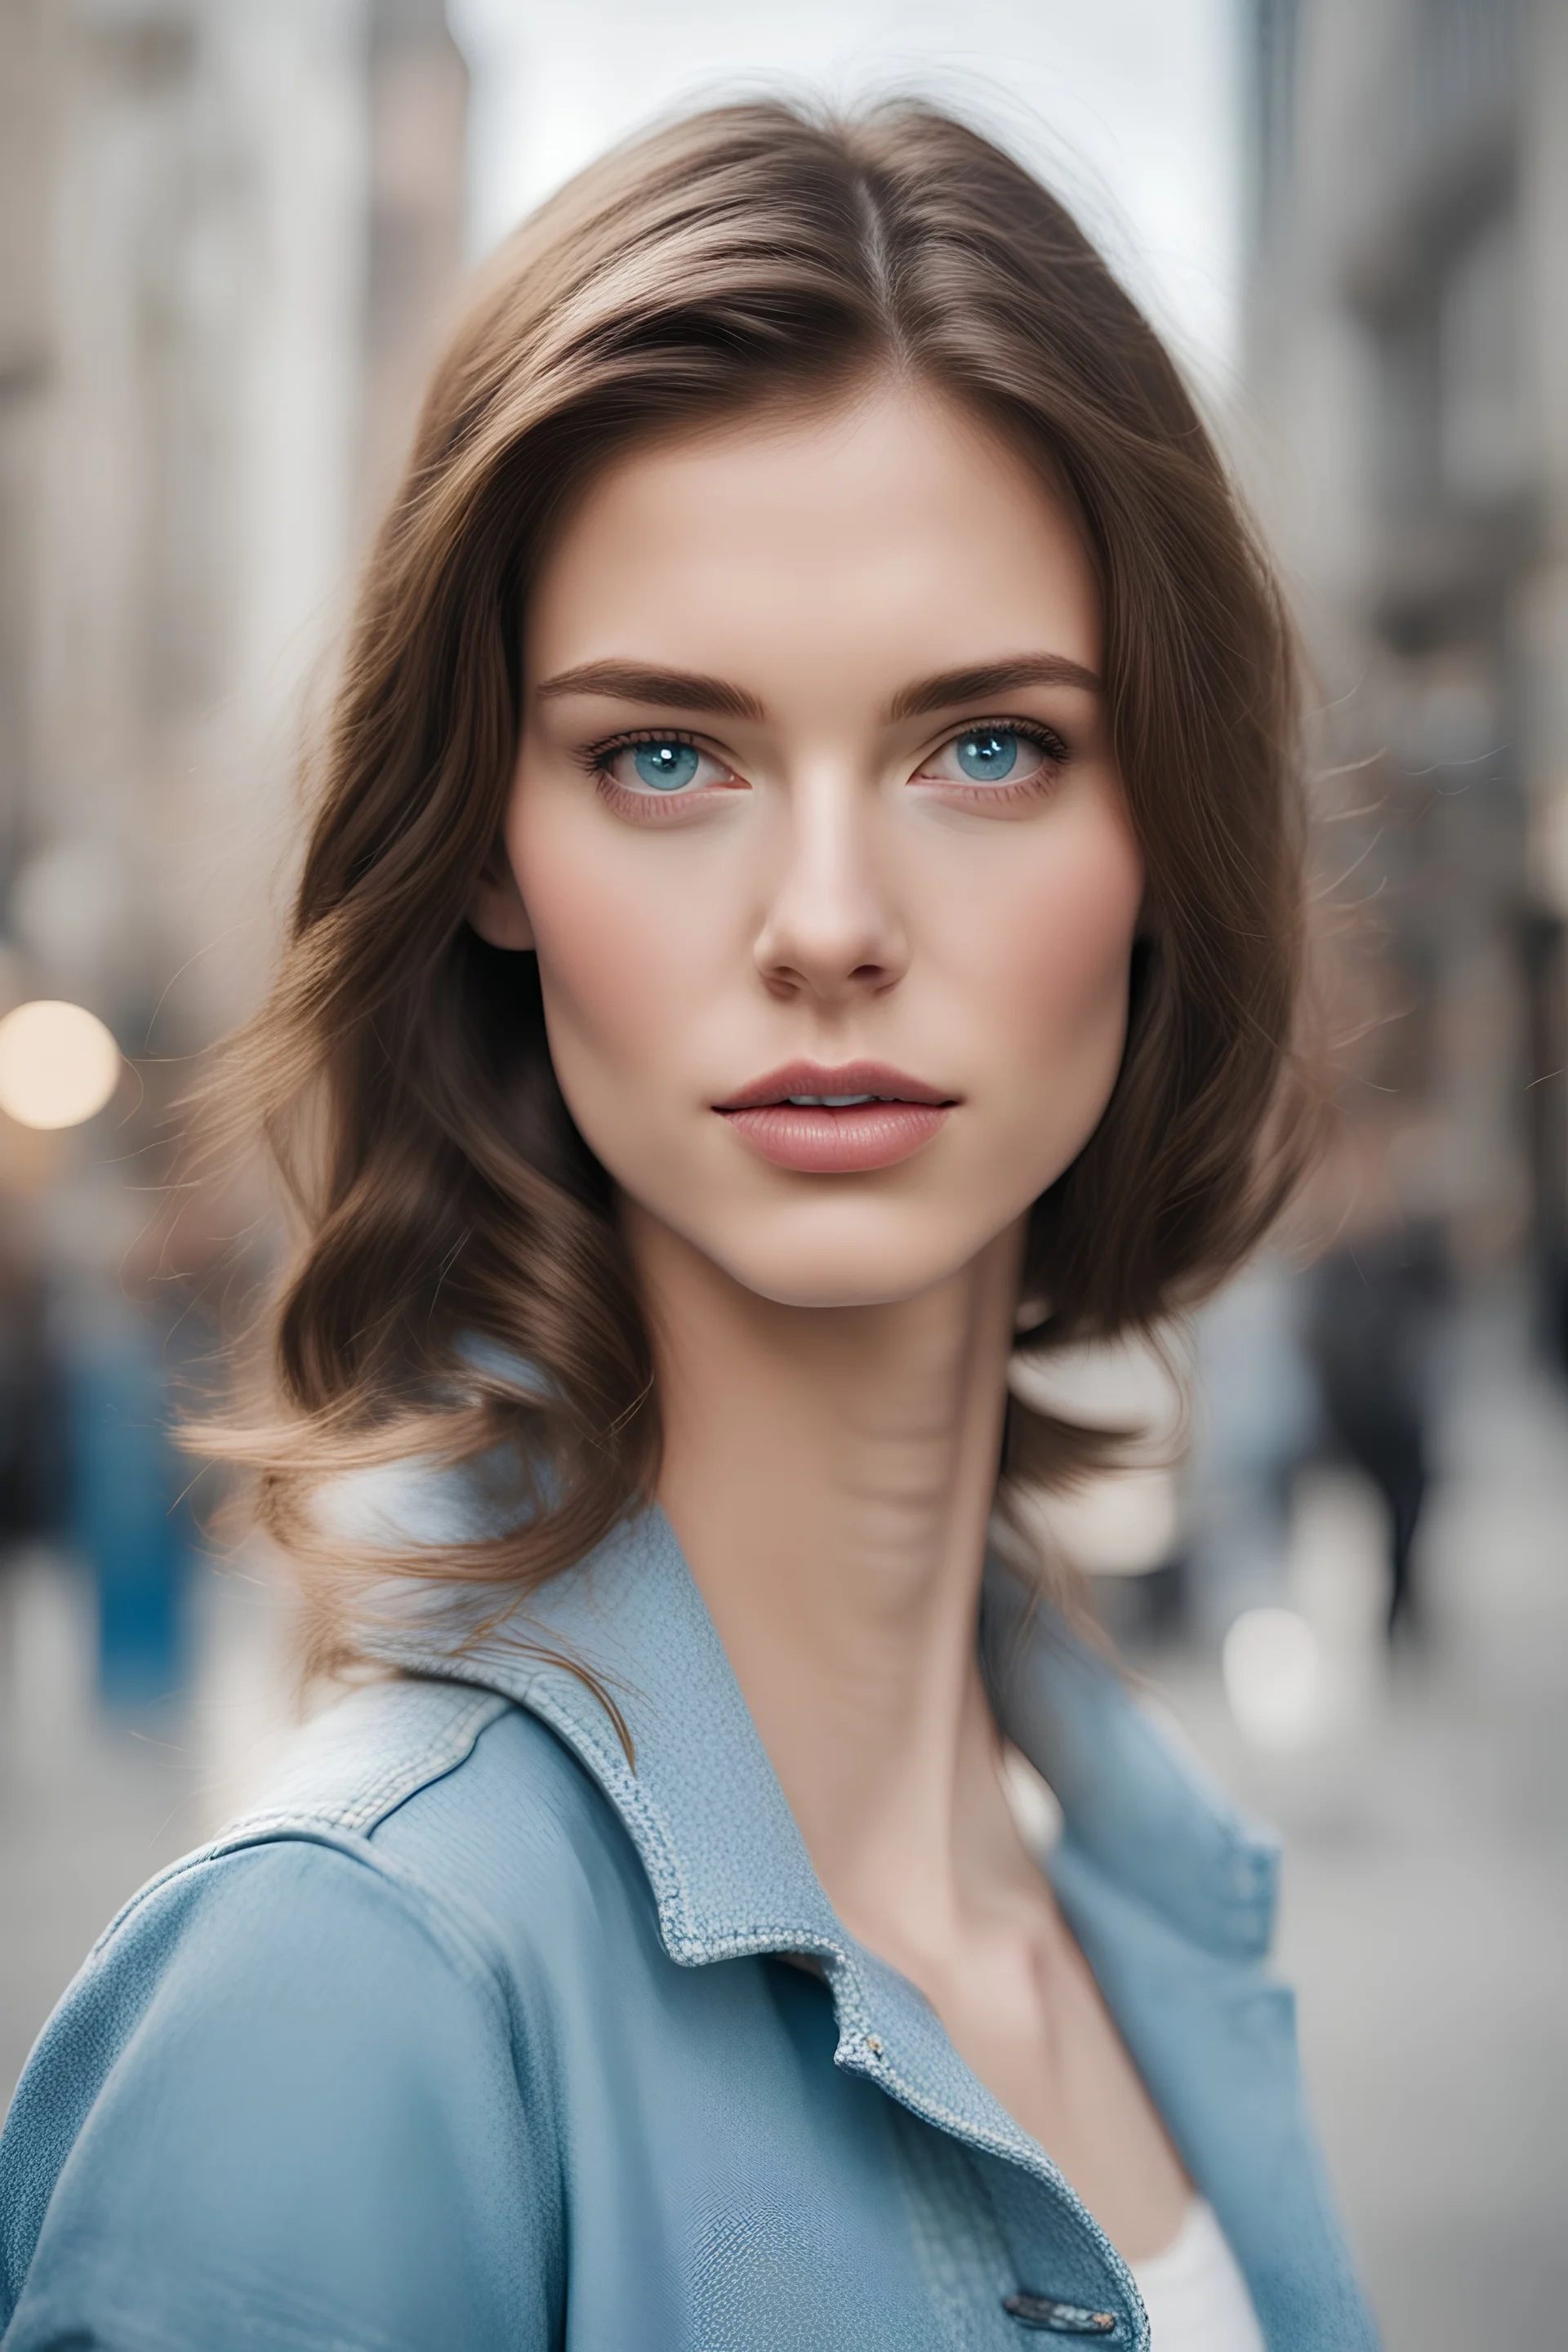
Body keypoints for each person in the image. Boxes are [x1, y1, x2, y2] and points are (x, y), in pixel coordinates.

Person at [0, 103, 1376, 2352]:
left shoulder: (1148, 1906)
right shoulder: (348, 1998)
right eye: (667, 754)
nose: (828, 924)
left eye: (988, 747)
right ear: (484, 851)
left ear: (1163, 837)